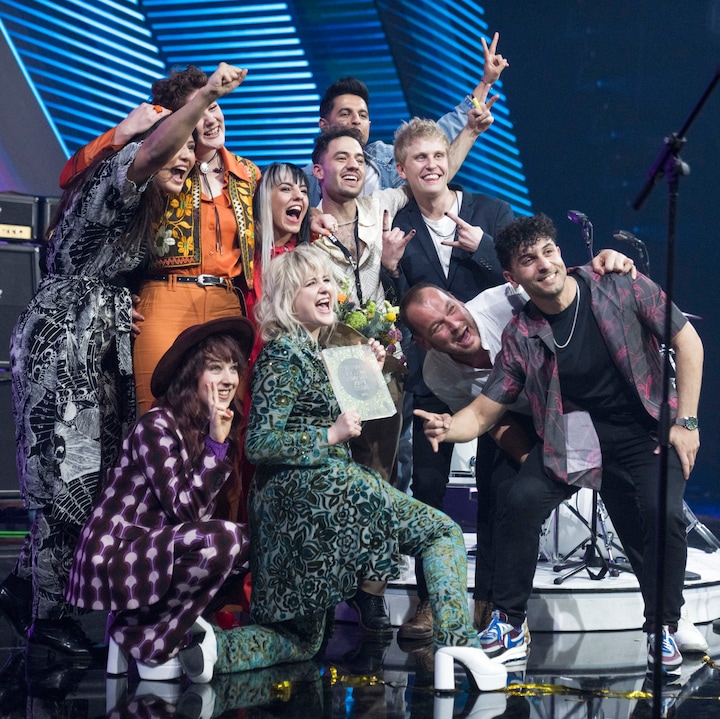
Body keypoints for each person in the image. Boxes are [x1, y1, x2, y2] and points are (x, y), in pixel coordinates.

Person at [0, 63, 247, 659]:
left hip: (100, 344)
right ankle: (47, 621)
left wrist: (117, 306)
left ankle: (24, 587)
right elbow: (147, 153)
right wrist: (205, 97)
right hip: (65, 343)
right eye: (175, 152)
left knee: (92, 476)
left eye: (189, 157)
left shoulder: (152, 207)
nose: (183, 161)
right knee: (66, 479)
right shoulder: (118, 177)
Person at [177, 244, 488, 683]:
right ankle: (458, 646)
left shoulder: (312, 350)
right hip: (312, 490)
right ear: (288, 299)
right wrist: (328, 435)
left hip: (306, 498)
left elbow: (345, 415)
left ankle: (211, 650)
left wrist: (370, 372)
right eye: (312, 283)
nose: (326, 289)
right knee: (441, 532)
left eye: (328, 280)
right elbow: (259, 444)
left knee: (303, 639)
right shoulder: (284, 353)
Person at [418, 214, 703, 676]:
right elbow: (485, 411)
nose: (543, 264)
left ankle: (663, 626)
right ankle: (509, 624)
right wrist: (448, 428)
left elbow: (688, 342)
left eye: (548, 251)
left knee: (662, 512)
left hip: (645, 429)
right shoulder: (521, 333)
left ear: (559, 252)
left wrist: (686, 422)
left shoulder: (618, 284)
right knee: (520, 499)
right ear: (512, 277)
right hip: (576, 438)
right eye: (528, 260)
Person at [65, 316, 254, 680]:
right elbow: (187, 510)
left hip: (153, 551)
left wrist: (216, 442)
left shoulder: (202, 428)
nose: (229, 379)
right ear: (191, 374)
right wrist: (216, 445)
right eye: (215, 368)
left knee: (249, 543)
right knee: (225, 540)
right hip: (116, 556)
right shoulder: (157, 426)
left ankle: (148, 627)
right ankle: (145, 640)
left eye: (233, 368)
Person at [386, 117, 513, 642]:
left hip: (500, 379)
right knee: (428, 493)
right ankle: (429, 600)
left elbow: (526, 277)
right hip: (433, 381)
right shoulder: (395, 225)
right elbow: (391, 313)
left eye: (438, 155)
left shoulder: (490, 212)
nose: (432, 165)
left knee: (497, 490)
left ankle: (488, 600)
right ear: (402, 170)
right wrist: (389, 269)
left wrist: (484, 247)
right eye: (420, 158)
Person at [302, 32, 509, 205]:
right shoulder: (304, 181)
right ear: (324, 125)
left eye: (363, 115)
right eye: (345, 113)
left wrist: (486, 81)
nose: (356, 120)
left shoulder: (388, 159)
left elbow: (443, 131)